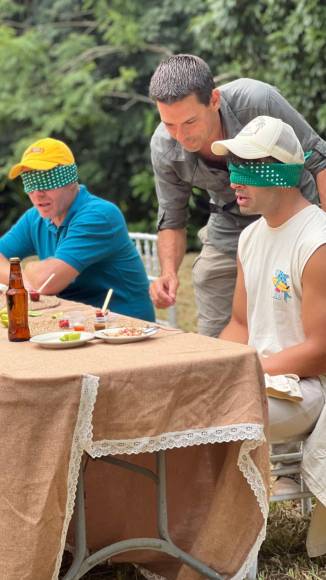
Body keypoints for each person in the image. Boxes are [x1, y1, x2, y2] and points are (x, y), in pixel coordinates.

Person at [148, 54, 326, 337]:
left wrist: (321, 229)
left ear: (214, 100)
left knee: (292, 310)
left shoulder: (256, 101)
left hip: (292, 213)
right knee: (209, 277)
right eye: (169, 124)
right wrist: (168, 272)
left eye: (190, 121)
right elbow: (172, 217)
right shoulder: (163, 147)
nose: (180, 135)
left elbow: (319, 160)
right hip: (231, 220)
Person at [214, 116, 326, 521]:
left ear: (281, 175)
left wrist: (242, 370)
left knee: (215, 413)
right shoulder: (250, 236)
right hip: (260, 378)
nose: (233, 182)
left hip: (307, 390)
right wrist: (210, 365)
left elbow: (319, 353)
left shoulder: (317, 242)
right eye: (233, 169)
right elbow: (240, 324)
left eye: (246, 169)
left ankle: (222, 530)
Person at [0, 137, 155, 321]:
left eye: (47, 181)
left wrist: (28, 272)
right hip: (72, 320)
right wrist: (25, 283)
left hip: (123, 324)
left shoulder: (99, 216)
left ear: (71, 180)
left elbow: (47, 283)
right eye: (30, 183)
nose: (37, 193)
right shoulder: (35, 217)